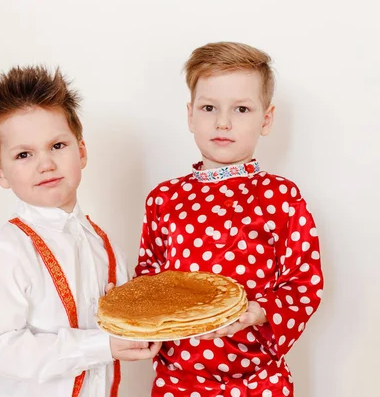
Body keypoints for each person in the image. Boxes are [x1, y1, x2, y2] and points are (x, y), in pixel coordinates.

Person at [135, 42, 324, 396]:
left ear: (266, 119)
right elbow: (150, 276)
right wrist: (133, 309)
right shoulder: (164, 198)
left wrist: (260, 312)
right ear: (190, 115)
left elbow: (304, 282)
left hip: (258, 380)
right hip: (178, 378)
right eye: (209, 107)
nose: (223, 122)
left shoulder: (281, 197)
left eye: (241, 108)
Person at [0, 65, 161, 397]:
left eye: (57, 146)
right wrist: (101, 345)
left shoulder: (105, 246)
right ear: (0, 173)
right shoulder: (7, 248)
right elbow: (0, 353)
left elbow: (129, 325)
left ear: (82, 151)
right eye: (24, 154)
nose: (45, 163)